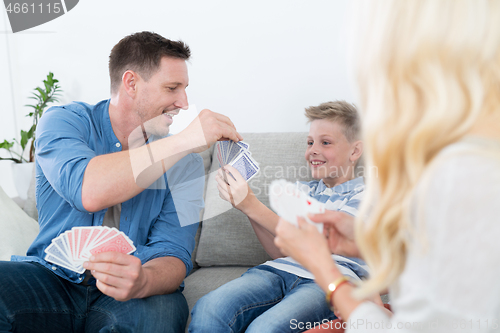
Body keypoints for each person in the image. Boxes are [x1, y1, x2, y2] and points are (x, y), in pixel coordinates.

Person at [274, 0, 500, 332]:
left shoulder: (459, 177)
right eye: (310, 142)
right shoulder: (467, 164)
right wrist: (374, 244)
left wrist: (326, 272)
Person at [0, 31, 242, 333]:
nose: (183, 102)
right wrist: (186, 140)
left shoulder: (186, 161)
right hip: (53, 281)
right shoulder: (64, 122)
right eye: (172, 88)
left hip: (133, 292)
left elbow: (174, 252)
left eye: (185, 89)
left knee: (162, 311)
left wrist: (144, 281)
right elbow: (89, 190)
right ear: (131, 83)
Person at [189, 101, 380, 333]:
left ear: (355, 151)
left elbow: (323, 245)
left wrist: (252, 204)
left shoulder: (368, 196)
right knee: (209, 307)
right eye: (310, 143)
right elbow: (281, 251)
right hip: (279, 270)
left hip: (326, 281)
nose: (313, 150)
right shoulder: (300, 191)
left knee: (265, 329)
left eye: (325, 142)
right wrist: (247, 210)